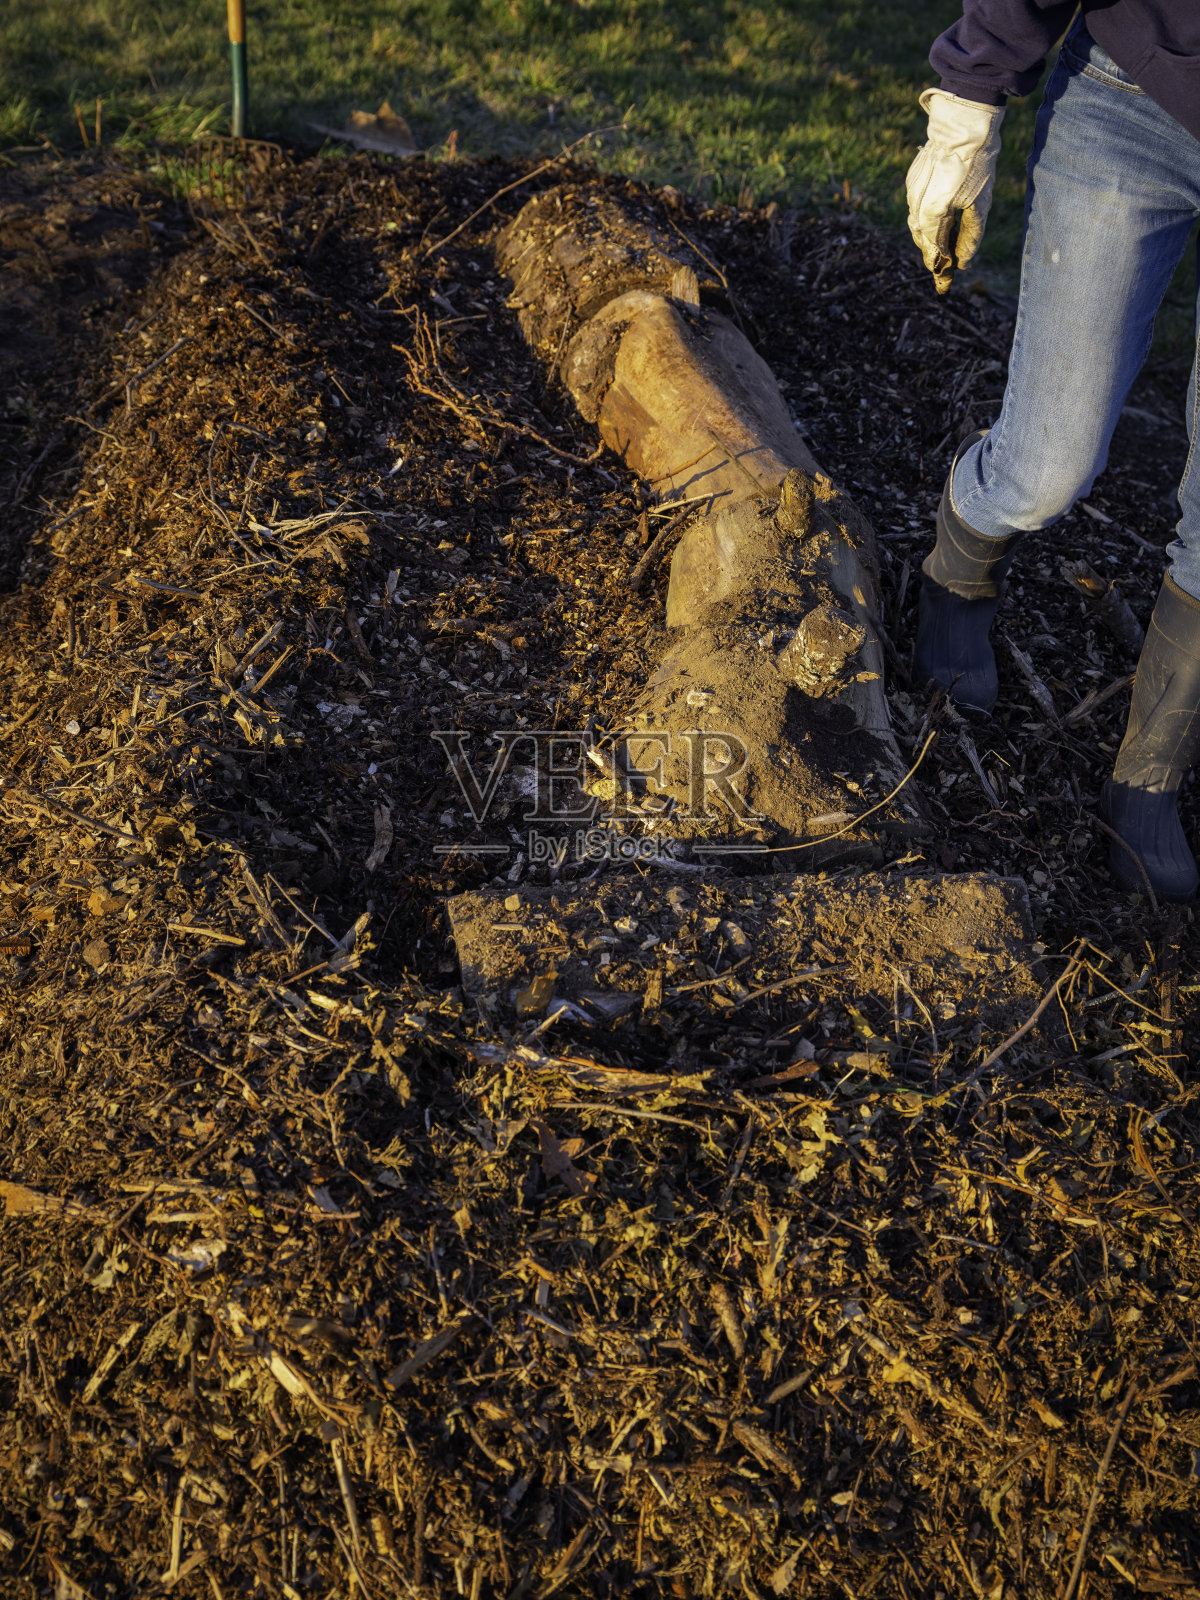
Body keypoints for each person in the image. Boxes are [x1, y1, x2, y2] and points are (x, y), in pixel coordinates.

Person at [905, 1, 1200, 901]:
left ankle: (1147, 776)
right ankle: (957, 567)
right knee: (1047, 465)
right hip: (1134, 96)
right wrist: (967, 104)